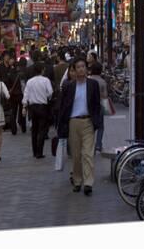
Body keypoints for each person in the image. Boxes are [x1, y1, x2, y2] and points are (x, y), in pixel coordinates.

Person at [58, 57, 101, 196]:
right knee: (76, 155)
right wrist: (61, 124)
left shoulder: (93, 84)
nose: (81, 69)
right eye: (78, 67)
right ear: (74, 71)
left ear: (86, 69)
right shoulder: (69, 87)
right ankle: (77, 181)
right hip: (73, 122)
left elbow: (96, 104)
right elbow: (63, 107)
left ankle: (88, 183)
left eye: (83, 66)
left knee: (87, 154)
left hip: (88, 122)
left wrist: (97, 121)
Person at [22, 62, 53, 159]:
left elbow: (26, 95)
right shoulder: (46, 80)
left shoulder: (30, 81)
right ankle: (40, 152)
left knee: (34, 130)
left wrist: (24, 106)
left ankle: (34, 151)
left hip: (32, 107)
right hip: (42, 107)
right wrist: (46, 97)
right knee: (42, 130)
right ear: (42, 70)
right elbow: (50, 92)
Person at [88, 62, 108, 152]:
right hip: (100, 105)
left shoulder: (88, 79)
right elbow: (105, 95)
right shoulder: (102, 81)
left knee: (90, 126)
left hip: (89, 106)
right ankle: (98, 144)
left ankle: (90, 144)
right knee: (100, 126)